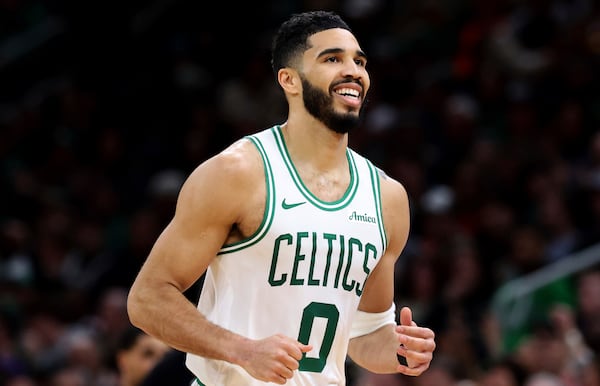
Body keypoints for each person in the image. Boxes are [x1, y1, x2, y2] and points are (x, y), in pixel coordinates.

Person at [127, 10, 436, 385]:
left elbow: (364, 333)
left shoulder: (387, 198)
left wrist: (400, 350)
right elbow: (147, 299)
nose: (353, 70)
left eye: (360, 61)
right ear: (289, 80)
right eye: (333, 58)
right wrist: (242, 350)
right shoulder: (238, 173)